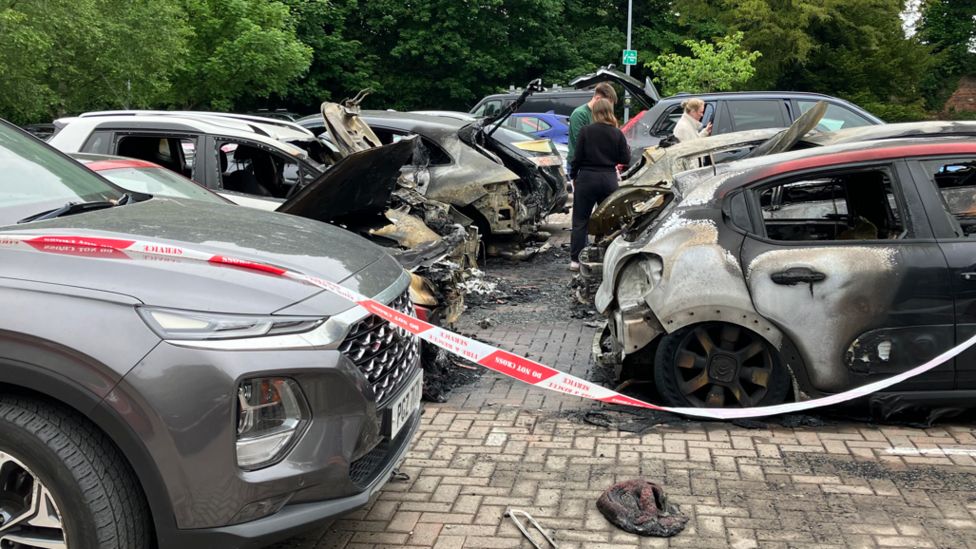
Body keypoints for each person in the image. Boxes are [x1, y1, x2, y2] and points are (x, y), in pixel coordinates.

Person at [569, 98, 630, 271]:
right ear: (610, 111)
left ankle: (576, 260)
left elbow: (577, 157)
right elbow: (624, 159)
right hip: (609, 178)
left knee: (580, 220)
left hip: (587, 178)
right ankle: (608, 255)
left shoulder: (586, 131)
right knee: (610, 220)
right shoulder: (617, 133)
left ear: (594, 113)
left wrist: (574, 175)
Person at [567, 82, 618, 168]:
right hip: (580, 165)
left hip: (596, 164)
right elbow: (580, 143)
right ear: (598, 99)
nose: (609, 109)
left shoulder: (601, 115)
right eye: (607, 104)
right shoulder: (580, 114)